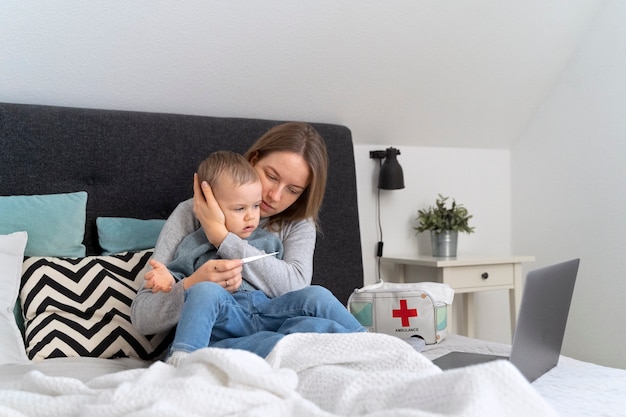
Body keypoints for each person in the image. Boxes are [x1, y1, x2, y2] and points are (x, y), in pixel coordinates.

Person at [130, 122, 365, 361]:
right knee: (212, 297)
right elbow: (142, 316)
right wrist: (192, 283)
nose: (274, 196)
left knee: (316, 300)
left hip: (269, 323)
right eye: (271, 176)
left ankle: (372, 343)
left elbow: (296, 287)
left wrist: (221, 237)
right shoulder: (192, 214)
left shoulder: (297, 224)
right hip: (220, 327)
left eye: (293, 190)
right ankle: (185, 361)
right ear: (253, 160)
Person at [146, 150, 283, 294]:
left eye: (256, 205)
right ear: (209, 204)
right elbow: (180, 276)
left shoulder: (270, 242)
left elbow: (279, 288)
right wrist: (169, 280)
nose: (251, 216)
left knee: (308, 296)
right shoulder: (194, 244)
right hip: (215, 306)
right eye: (239, 208)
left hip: (262, 310)